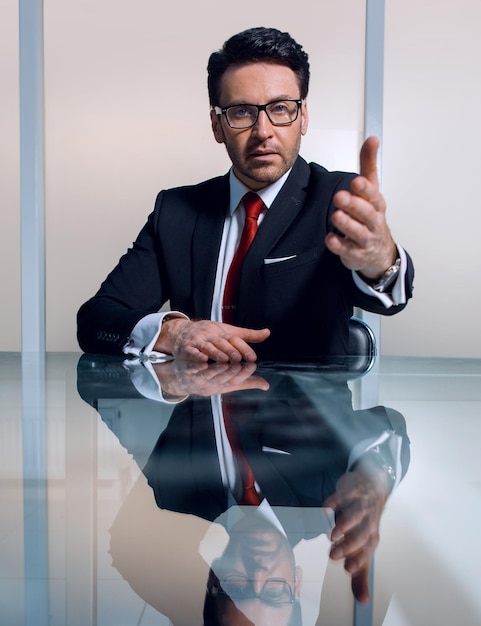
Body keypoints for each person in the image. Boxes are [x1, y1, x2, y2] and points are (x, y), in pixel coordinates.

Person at [77, 26, 414, 362]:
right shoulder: (176, 212)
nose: (263, 132)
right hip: (201, 409)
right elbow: (96, 320)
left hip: (304, 413)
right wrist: (172, 332)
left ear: (303, 116)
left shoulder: (335, 199)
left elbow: (391, 297)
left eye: (280, 108)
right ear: (216, 125)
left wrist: (381, 259)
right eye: (241, 112)